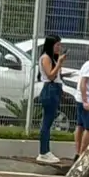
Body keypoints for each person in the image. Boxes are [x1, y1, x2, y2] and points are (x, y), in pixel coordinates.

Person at [35, 35, 64, 165]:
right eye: (57, 45)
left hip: (55, 88)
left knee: (49, 121)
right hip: (50, 89)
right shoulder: (46, 57)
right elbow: (50, 76)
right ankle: (43, 152)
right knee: (46, 122)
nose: (59, 47)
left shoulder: (52, 57)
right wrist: (59, 63)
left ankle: (46, 151)